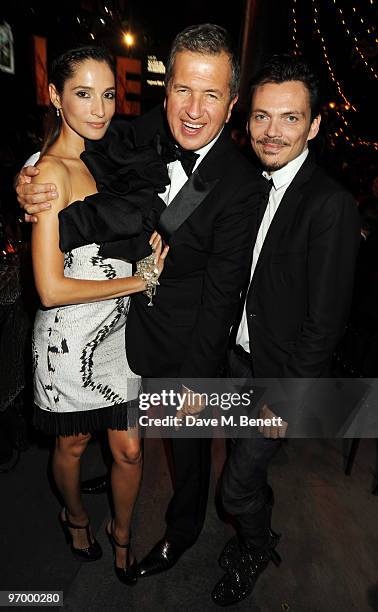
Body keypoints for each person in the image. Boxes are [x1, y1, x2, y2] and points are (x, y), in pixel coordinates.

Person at [16, 24, 264, 577]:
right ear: (166, 87)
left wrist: (198, 382)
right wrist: (25, 180)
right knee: (99, 444)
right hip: (107, 326)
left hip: (182, 344)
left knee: (188, 453)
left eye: (212, 94)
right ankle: (83, 513)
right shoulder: (141, 131)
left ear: (232, 102)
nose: (194, 109)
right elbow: (74, 153)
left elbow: (225, 297)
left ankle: (181, 533)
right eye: (183, 90)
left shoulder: (243, 186)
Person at [211, 54, 361, 606]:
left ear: (314, 125)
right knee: (240, 469)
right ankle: (259, 524)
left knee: (234, 487)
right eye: (260, 117)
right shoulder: (252, 182)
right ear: (246, 119)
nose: (272, 132)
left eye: (290, 118)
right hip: (236, 361)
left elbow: (325, 322)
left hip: (278, 381)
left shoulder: (330, 205)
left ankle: (254, 545)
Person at [26, 45, 168, 586]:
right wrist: (142, 278)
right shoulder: (48, 174)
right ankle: (77, 515)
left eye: (108, 94)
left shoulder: (106, 154)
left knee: (130, 449)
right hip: (68, 340)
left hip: (118, 340)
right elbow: (48, 288)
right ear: (55, 96)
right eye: (83, 94)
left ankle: (123, 532)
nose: (100, 108)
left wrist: (149, 246)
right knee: (72, 443)